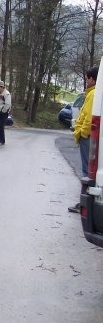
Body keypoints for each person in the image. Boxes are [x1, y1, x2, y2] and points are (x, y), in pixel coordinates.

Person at [70, 66, 98, 213]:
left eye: (87, 78)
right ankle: (85, 203)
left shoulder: (93, 94)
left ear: (92, 79)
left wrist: (81, 133)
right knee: (88, 171)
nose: (86, 81)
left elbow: (89, 119)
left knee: (87, 172)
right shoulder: (92, 94)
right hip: (86, 137)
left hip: (87, 138)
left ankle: (85, 204)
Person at [0, 80, 12, 145]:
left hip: (3, 113)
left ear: (2, 87)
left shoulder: (6, 94)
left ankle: (1, 141)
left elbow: (8, 104)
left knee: (1, 126)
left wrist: (3, 111)